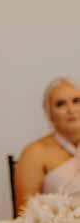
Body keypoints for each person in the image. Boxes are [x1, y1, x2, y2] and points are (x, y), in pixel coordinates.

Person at [14, 77, 80, 212]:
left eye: (76, 101)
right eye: (60, 104)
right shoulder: (34, 153)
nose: (71, 109)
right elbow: (24, 212)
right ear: (50, 114)